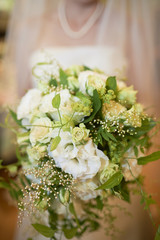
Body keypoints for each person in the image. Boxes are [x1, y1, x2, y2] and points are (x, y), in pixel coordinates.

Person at [2, 0, 160, 239]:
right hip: (48, 178)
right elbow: (25, 106)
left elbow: (145, 106)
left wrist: (111, 151)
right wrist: (48, 153)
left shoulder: (131, 27)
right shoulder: (28, 27)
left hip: (110, 179)